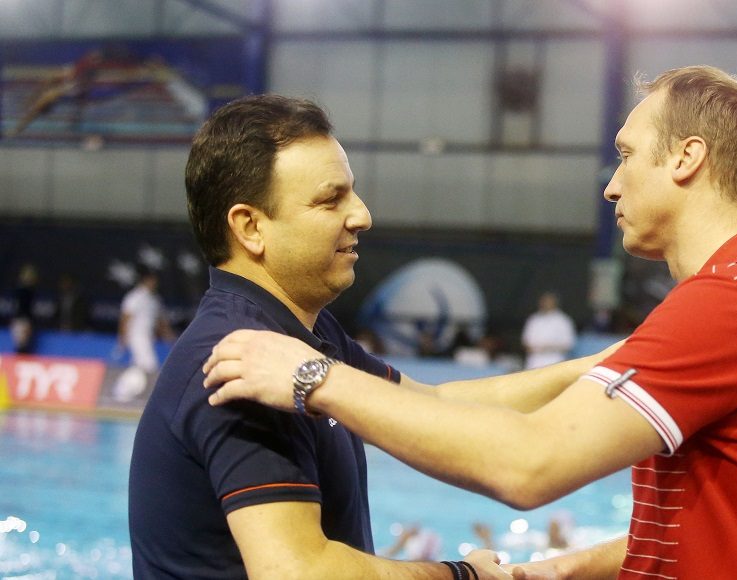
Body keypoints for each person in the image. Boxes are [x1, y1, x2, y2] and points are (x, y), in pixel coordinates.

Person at [203, 66, 737, 579]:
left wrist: (311, 377)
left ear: (687, 158)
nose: (612, 185)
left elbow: (527, 467)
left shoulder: (729, 303)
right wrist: (565, 569)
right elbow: (732, 528)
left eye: (627, 155)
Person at [129, 94, 615, 579]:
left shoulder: (304, 337)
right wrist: (461, 575)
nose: (362, 215)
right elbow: (298, 573)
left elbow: (434, 403)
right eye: (331, 199)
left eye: (353, 194)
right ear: (251, 227)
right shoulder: (245, 365)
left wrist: (603, 366)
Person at [117, 267, 172, 374]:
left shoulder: (155, 299)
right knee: (149, 365)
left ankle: (125, 384)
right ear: (146, 280)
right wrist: (122, 337)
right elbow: (125, 317)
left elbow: (160, 321)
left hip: (149, 337)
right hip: (136, 336)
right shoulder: (135, 297)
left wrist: (169, 336)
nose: (154, 283)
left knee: (138, 366)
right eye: (152, 280)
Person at [521, 291, 577, 369]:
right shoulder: (533, 319)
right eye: (544, 301)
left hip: (555, 361)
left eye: (549, 301)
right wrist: (537, 349)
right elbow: (526, 342)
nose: (546, 303)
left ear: (555, 302)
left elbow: (569, 344)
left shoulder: (563, 320)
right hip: (534, 362)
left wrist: (548, 348)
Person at [10, 264, 39, 354]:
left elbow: (30, 309)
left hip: (25, 320)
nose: (28, 278)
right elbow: (16, 307)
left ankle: (22, 357)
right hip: (19, 320)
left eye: (30, 276)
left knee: (24, 344)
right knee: (20, 344)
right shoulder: (19, 290)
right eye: (26, 275)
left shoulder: (30, 291)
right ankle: (18, 358)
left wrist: (29, 322)